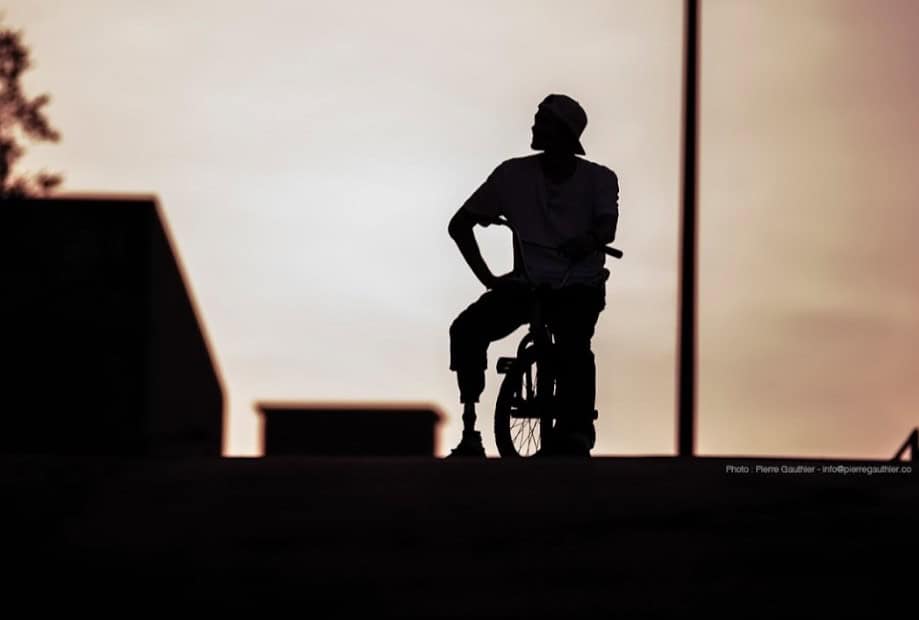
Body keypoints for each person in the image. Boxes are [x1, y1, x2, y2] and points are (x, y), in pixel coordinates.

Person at [447, 93, 619, 458]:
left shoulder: (600, 180)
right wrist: (489, 279)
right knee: (467, 330)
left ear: (563, 133)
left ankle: (576, 428)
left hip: (578, 285)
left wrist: (586, 241)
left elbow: (606, 227)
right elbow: (460, 224)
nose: (533, 126)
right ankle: (469, 426)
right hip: (527, 284)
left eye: (542, 121)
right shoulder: (512, 175)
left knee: (574, 346)